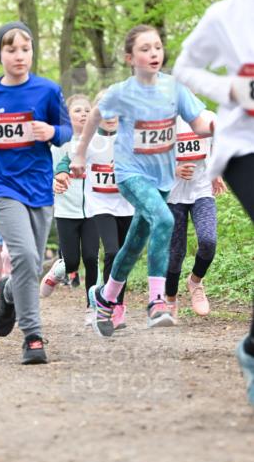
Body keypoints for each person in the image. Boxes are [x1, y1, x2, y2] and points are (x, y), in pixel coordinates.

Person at [70, 24, 213, 337]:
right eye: (145, 49)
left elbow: (201, 123)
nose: (153, 54)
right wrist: (80, 153)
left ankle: (104, 298)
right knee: (164, 220)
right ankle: (156, 301)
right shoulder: (122, 93)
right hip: (130, 174)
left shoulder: (174, 89)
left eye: (158, 47)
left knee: (133, 245)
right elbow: (95, 116)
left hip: (161, 180)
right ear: (129, 58)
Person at [173, 0, 254, 404]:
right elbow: (184, 67)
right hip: (245, 146)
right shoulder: (225, 16)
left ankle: (251, 347)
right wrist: (228, 91)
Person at [0, 20, 71, 363]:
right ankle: (33, 336)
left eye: (25, 49)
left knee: (30, 263)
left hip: (38, 185)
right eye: (11, 49)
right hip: (1, 185)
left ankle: (9, 292)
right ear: (0, 54)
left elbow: (66, 130)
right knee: (25, 255)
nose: (19, 55)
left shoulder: (47, 90)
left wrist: (50, 130)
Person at [53, 94, 133, 329]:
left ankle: (117, 304)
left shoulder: (130, 140)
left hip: (126, 206)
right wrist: (61, 174)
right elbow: (64, 163)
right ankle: (106, 306)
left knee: (124, 258)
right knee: (111, 252)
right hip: (100, 207)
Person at [42, 94, 99, 326]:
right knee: (72, 261)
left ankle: (92, 308)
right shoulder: (58, 144)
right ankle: (57, 272)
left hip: (95, 209)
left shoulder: (99, 141)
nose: (84, 114)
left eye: (87, 110)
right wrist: (53, 182)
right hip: (66, 209)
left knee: (91, 258)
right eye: (78, 110)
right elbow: (45, 171)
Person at [165, 112, 222, 319]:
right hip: (173, 195)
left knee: (208, 240)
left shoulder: (208, 118)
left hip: (202, 190)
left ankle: (195, 282)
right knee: (175, 253)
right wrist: (174, 169)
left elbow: (219, 148)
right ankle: (170, 298)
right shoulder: (162, 120)